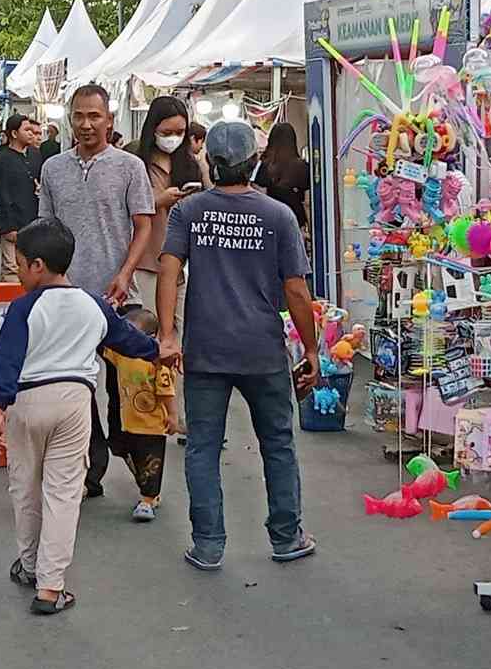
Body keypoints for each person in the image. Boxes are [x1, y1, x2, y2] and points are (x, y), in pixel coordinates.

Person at [159, 120, 319, 569]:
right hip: (262, 349)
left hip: (205, 348)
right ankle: (286, 537)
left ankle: (208, 544)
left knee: (203, 447)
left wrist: (168, 334)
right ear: (254, 162)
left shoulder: (188, 212)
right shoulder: (278, 215)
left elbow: (169, 270)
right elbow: (296, 290)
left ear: (209, 161)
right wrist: (311, 349)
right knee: (278, 443)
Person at [0, 218, 164, 613]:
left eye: (20, 264)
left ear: (37, 265)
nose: (18, 271)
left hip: (27, 402)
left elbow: (7, 359)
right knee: (63, 494)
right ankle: (51, 588)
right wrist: (159, 351)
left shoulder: (23, 308)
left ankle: (29, 564)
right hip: (73, 402)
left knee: (25, 488)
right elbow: (127, 339)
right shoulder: (93, 304)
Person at [36, 83, 155, 498]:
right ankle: (90, 470)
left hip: (120, 298)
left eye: (94, 116)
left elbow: (144, 226)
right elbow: (46, 230)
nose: (86, 124)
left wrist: (125, 272)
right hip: (69, 299)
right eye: (79, 116)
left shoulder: (129, 167)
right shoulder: (53, 168)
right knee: (75, 389)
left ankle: (137, 463)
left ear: (109, 120)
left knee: (125, 388)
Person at [131, 94, 207, 316]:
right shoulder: (136, 162)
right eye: (166, 133)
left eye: (180, 132)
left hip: (180, 262)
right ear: (153, 129)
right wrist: (158, 201)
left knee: (182, 327)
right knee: (150, 324)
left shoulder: (189, 163)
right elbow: (123, 208)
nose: (173, 138)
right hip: (145, 261)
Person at [105, 305, 180, 521]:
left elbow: (167, 391)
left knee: (150, 461)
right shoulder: (121, 355)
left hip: (152, 424)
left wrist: (172, 415)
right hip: (128, 421)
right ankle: (146, 486)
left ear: (149, 337)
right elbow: (105, 345)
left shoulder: (157, 362)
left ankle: (148, 499)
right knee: (128, 454)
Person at [0, 114, 43, 280]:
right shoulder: (1, 157)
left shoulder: (35, 154)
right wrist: (8, 226)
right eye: (27, 130)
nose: (31, 134)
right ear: (14, 133)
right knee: (11, 270)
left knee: (33, 268)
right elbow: (1, 193)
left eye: (33, 131)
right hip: (12, 221)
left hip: (33, 220)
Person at [261, 123, 311, 230]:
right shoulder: (302, 167)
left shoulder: (264, 165)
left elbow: (260, 195)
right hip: (296, 221)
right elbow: (307, 203)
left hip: (271, 220)